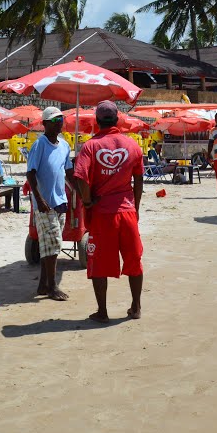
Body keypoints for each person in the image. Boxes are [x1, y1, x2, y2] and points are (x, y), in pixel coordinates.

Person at [74, 101, 144, 323]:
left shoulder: (90, 146)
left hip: (102, 214)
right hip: (127, 212)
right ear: (117, 120)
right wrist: (136, 207)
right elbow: (139, 180)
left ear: (97, 121)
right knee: (134, 260)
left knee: (99, 265)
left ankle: (102, 311)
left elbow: (81, 178)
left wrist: (86, 203)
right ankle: (136, 307)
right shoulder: (132, 145)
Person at [26, 106, 74, 302]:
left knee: (50, 245)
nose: (59, 123)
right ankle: (53, 287)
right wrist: (39, 199)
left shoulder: (64, 145)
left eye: (60, 119)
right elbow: (31, 174)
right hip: (44, 203)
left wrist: (79, 192)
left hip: (60, 201)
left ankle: (43, 285)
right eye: (54, 120)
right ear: (45, 124)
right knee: (53, 245)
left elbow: (68, 171)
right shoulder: (40, 145)